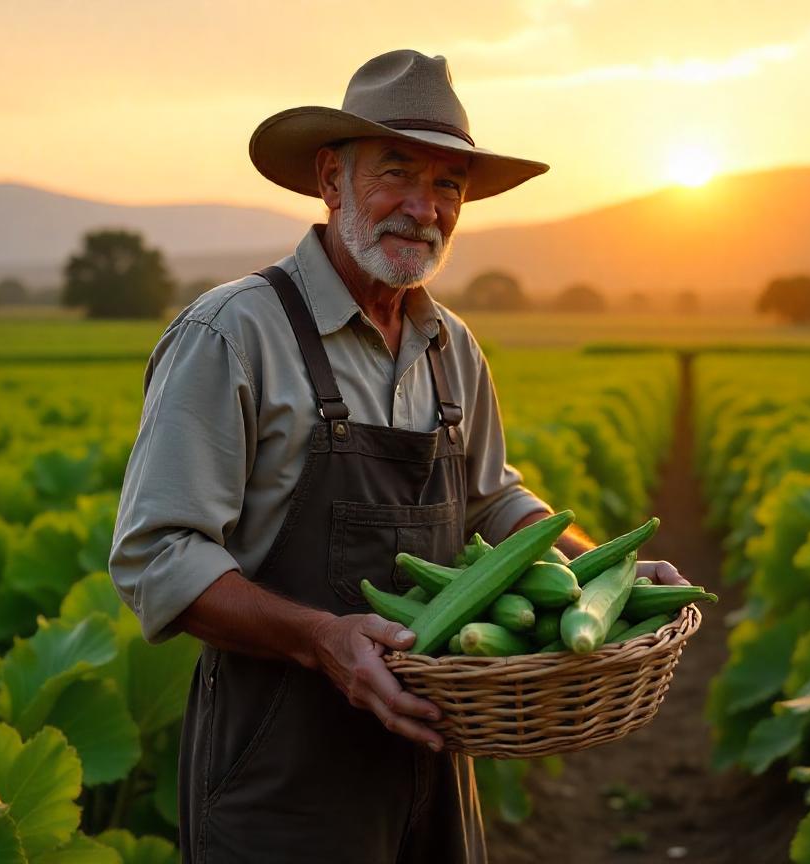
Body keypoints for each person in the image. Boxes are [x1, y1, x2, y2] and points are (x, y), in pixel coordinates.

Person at [109, 49, 687, 864]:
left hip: (435, 757)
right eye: (398, 172)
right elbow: (156, 556)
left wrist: (608, 576)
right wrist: (323, 640)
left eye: (449, 183)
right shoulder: (233, 333)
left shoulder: (453, 347)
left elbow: (495, 503)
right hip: (282, 771)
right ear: (331, 179)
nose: (424, 207)